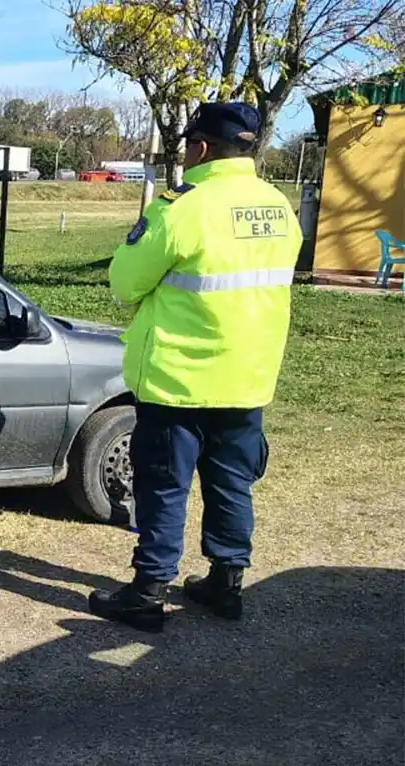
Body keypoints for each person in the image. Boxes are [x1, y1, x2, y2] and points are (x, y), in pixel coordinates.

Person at [89, 102, 303, 632]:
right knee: (233, 484)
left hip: (179, 380)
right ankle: (226, 582)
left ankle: (148, 591)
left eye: (187, 145)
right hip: (247, 377)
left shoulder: (182, 207)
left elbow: (124, 282)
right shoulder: (279, 205)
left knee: (163, 486)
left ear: (201, 147)